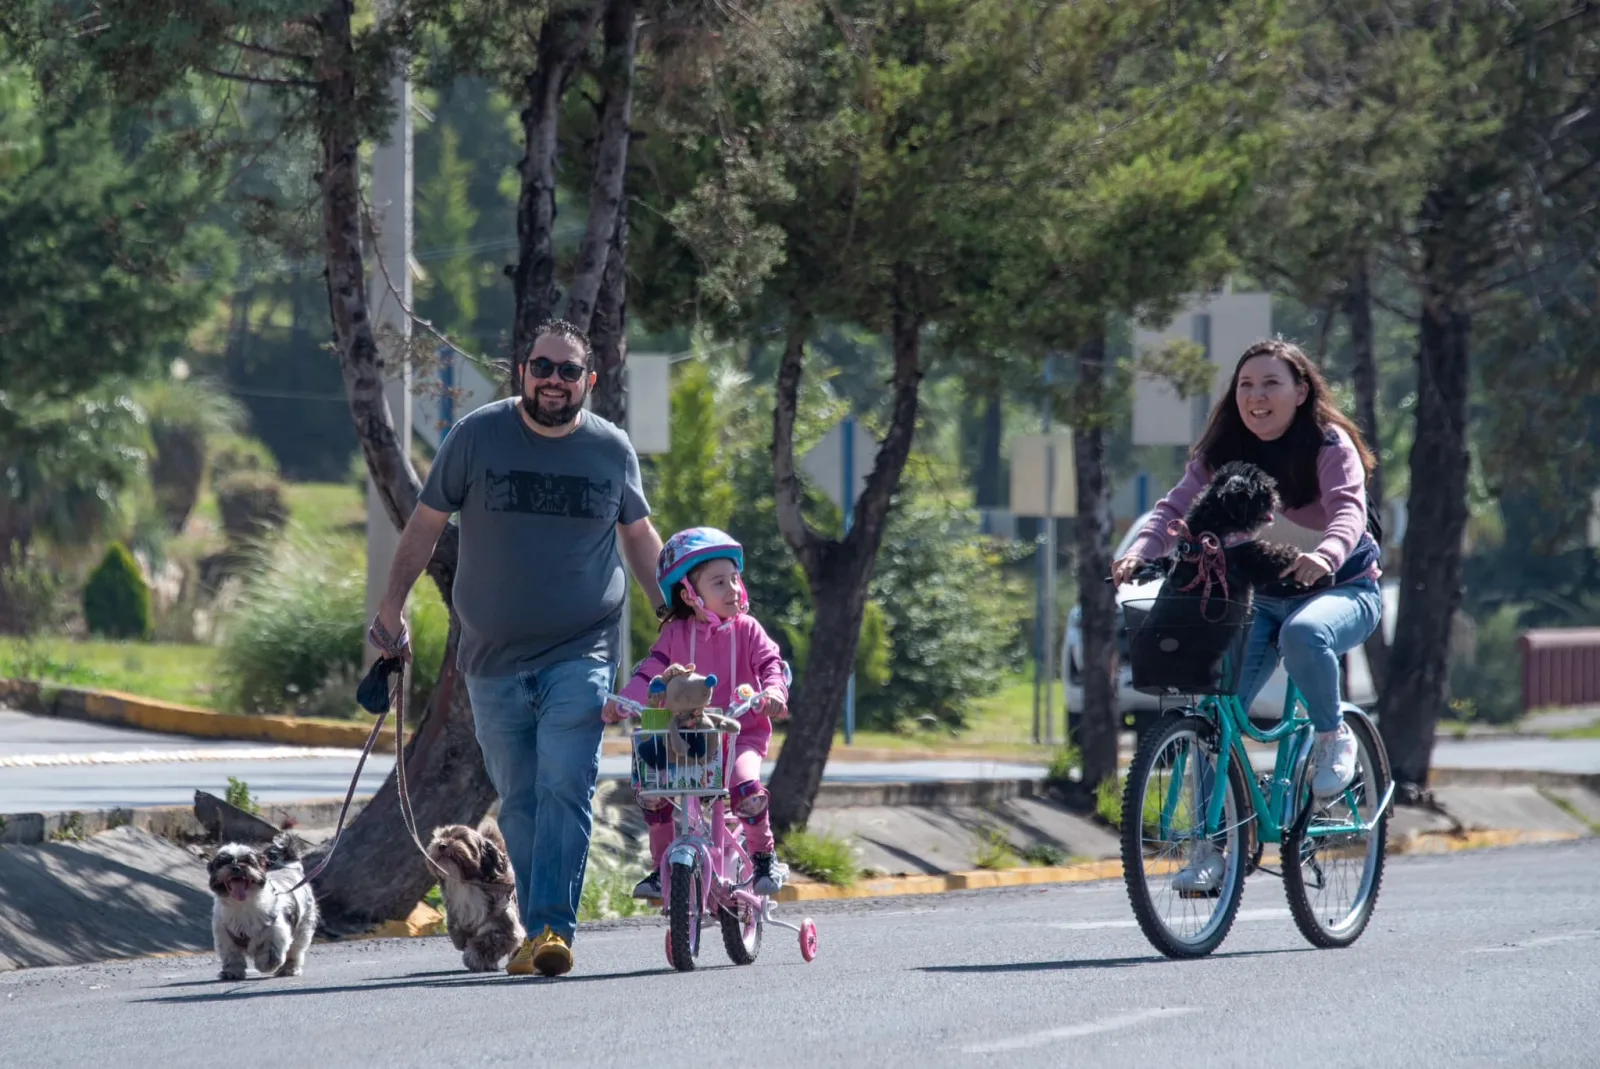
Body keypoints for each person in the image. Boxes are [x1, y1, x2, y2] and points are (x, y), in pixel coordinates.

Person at [370, 319, 665, 978]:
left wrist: (675, 615)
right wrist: (390, 606)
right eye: (542, 366)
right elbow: (424, 524)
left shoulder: (611, 450)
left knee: (568, 781)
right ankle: (534, 931)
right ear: (522, 371)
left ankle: (555, 925)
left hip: (582, 648)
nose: (553, 380)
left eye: (568, 370)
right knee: (522, 798)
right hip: (492, 657)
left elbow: (640, 536)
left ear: (588, 380)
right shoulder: (476, 436)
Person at [1112, 338, 1383, 893]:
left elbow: (1350, 511)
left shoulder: (1329, 443)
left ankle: (1333, 739)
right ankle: (1211, 850)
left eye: (1271, 384)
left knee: (1306, 635)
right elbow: (1175, 508)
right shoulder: (1225, 447)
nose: (1257, 397)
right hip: (1262, 596)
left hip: (1345, 588)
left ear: (1301, 391)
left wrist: (1326, 556)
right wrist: (1141, 550)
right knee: (1214, 715)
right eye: (1246, 386)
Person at [606, 527, 792, 899]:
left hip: (742, 735)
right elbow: (649, 672)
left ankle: (763, 856)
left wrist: (773, 691)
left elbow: (772, 663)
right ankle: (662, 869)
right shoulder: (676, 635)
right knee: (652, 791)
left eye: (735, 580)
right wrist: (623, 700)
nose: (733, 590)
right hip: (686, 738)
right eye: (719, 583)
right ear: (690, 595)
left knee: (746, 788)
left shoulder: (749, 630)